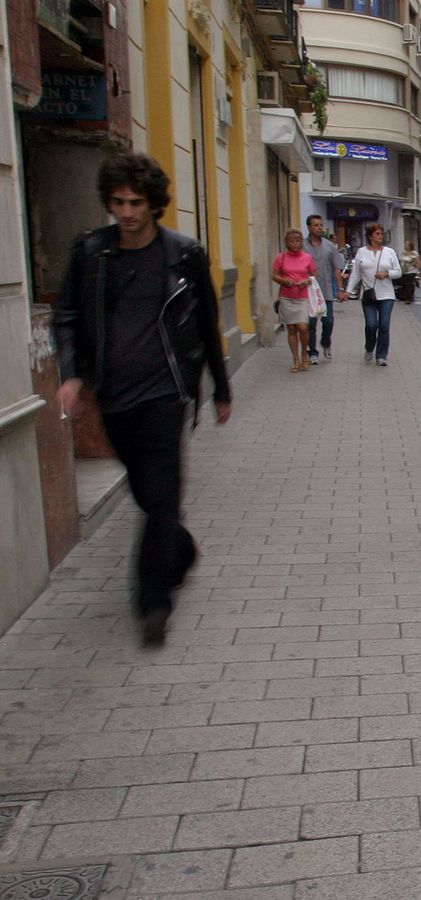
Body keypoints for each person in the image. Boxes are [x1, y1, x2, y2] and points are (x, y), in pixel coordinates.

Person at [52, 151, 233, 646]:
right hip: (113, 397)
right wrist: (71, 375)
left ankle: (152, 601)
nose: (127, 213)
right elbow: (66, 315)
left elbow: (205, 324)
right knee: (147, 493)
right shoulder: (92, 253)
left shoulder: (183, 254)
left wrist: (220, 385)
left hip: (166, 394)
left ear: (154, 204)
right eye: (117, 202)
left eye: (135, 202)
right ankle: (182, 548)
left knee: (161, 495)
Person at [344, 221, 401, 366]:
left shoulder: (390, 252)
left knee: (384, 325)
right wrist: (347, 292)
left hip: (386, 295)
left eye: (381, 233)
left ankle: (381, 355)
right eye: (377, 234)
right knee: (371, 324)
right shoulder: (362, 252)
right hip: (369, 294)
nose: (380, 236)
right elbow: (356, 274)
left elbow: (399, 272)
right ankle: (369, 347)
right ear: (370, 236)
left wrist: (387, 273)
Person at [271, 228, 317, 372]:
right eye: (291, 241)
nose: (295, 243)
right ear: (287, 242)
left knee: (303, 327)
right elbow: (274, 275)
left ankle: (305, 353)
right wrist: (284, 280)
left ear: (301, 242)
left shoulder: (307, 258)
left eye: (297, 240)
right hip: (286, 296)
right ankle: (295, 359)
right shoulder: (281, 258)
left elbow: (314, 275)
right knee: (291, 328)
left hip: (302, 297)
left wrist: (306, 281)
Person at [303, 214, 344, 364]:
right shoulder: (302, 246)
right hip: (309, 291)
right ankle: (312, 352)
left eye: (321, 225)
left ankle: (326, 343)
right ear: (309, 227)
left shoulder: (330, 247)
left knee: (328, 321)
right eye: (316, 225)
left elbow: (337, 269)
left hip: (326, 290)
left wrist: (340, 289)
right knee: (311, 323)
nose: (320, 228)